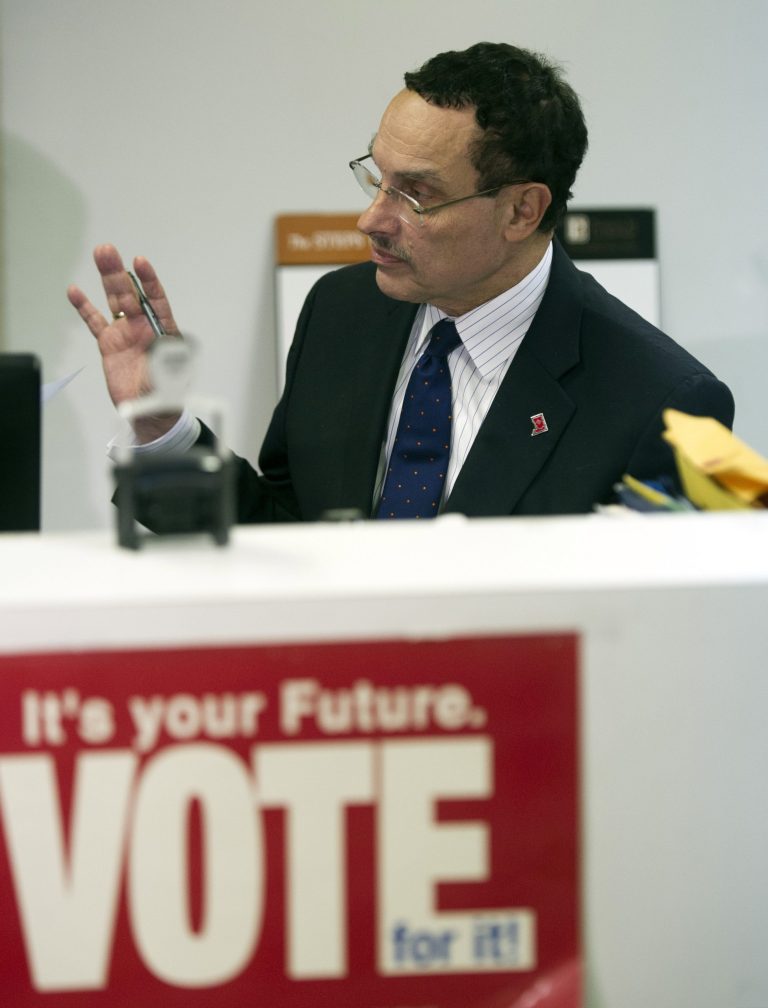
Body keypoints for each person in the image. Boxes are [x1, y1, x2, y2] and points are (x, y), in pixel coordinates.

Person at [68, 42, 734, 522]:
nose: (371, 219)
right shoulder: (342, 310)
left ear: (521, 210)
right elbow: (286, 533)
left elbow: (646, 637)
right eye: (376, 177)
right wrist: (162, 428)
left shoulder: (660, 405)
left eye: (416, 195)